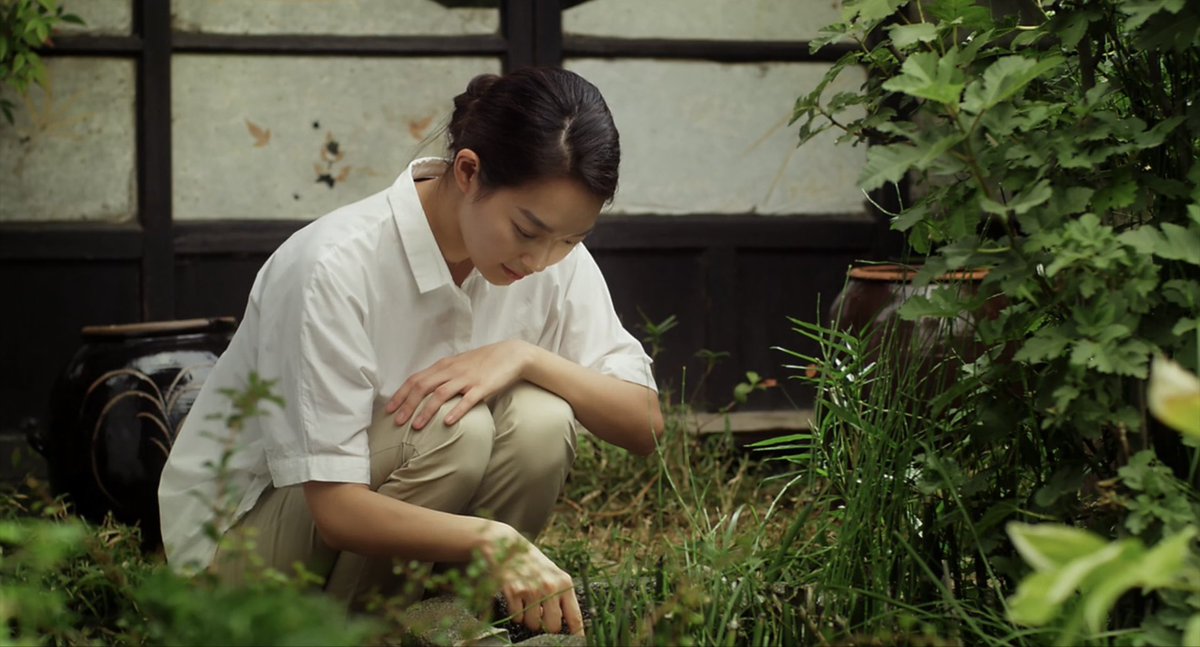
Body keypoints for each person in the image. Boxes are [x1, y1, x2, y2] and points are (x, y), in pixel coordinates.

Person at [157, 67, 664, 637]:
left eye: (571, 239)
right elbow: (336, 510)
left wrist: (526, 356)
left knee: (542, 417)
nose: (543, 260)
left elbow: (643, 424)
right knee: (455, 431)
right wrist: (492, 538)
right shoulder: (332, 267)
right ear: (469, 172)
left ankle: (442, 617)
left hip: (377, 551)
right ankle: (369, 633)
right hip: (247, 566)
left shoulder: (551, 259)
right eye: (527, 231)